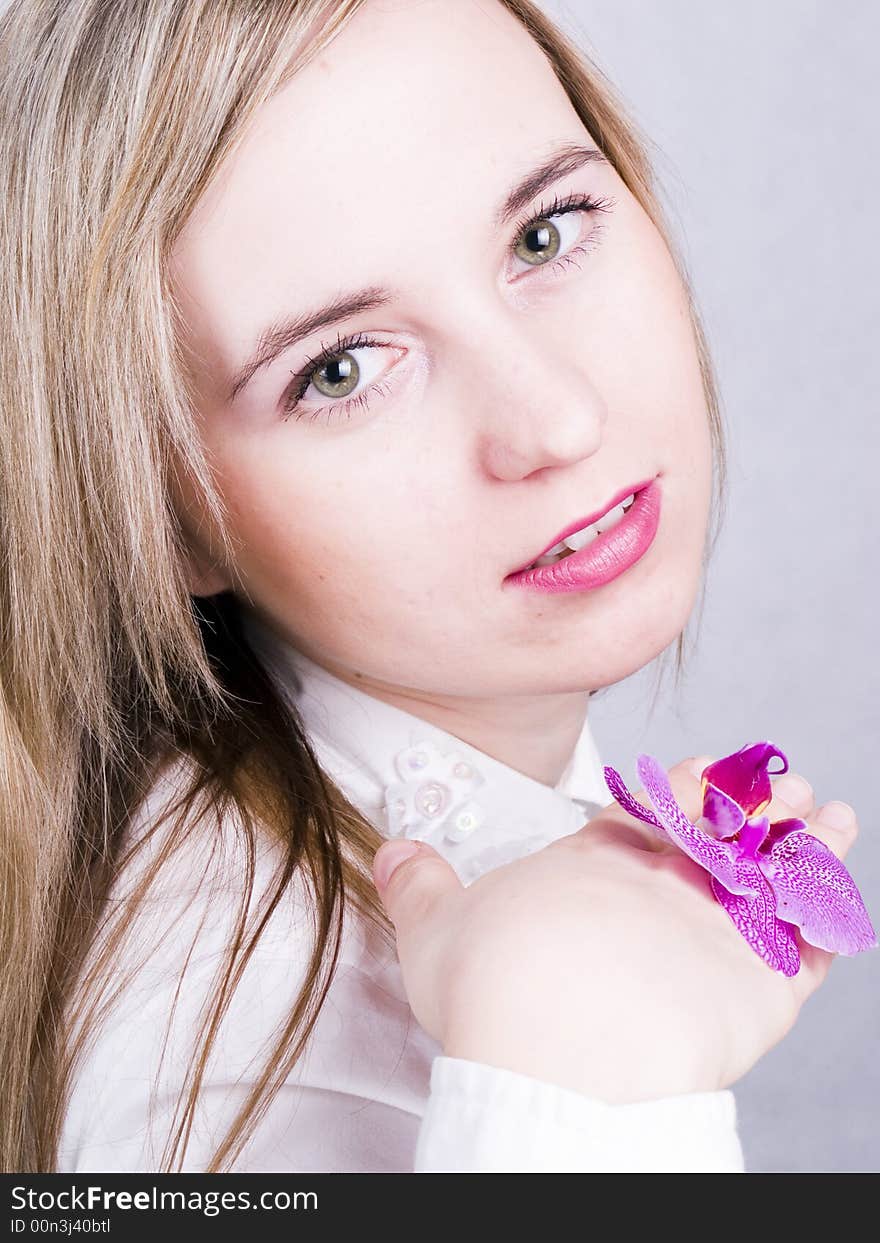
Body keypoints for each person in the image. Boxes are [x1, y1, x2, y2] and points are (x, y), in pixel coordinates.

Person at [0, 0, 859, 1174]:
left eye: (545, 235)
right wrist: (574, 1079)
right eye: (340, 368)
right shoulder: (233, 1062)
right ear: (162, 522)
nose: (555, 420)